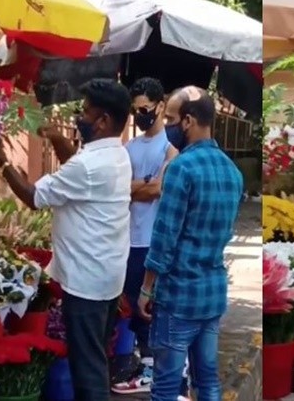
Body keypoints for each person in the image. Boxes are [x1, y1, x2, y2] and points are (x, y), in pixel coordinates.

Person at [0, 78, 133, 401]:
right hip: (107, 278)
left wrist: (4, 163)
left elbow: (33, 196)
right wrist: (55, 139)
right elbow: (77, 166)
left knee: (88, 370)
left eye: (85, 112)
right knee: (96, 359)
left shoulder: (90, 165)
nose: (80, 117)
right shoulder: (116, 154)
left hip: (86, 284)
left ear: (104, 120)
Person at [137, 86, 244, 401]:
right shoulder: (233, 171)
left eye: (170, 118)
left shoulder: (181, 168)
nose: (167, 124)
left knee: (166, 387)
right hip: (212, 293)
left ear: (188, 121)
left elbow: (164, 236)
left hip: (179, 296)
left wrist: (146, 289)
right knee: (207, 380)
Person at [112, 78, 185, 396]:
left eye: (145, 109)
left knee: (150, 307)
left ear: (160, 105)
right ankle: (147, 364)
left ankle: (159, 367)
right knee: (129, 302)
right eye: (135, 109)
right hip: (128, 238)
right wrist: (142, 184)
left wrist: (139, 186)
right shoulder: (128, 148)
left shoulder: (171, 150)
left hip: (153, 240)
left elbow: (158, 189)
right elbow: (119, 189)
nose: (141, 114)